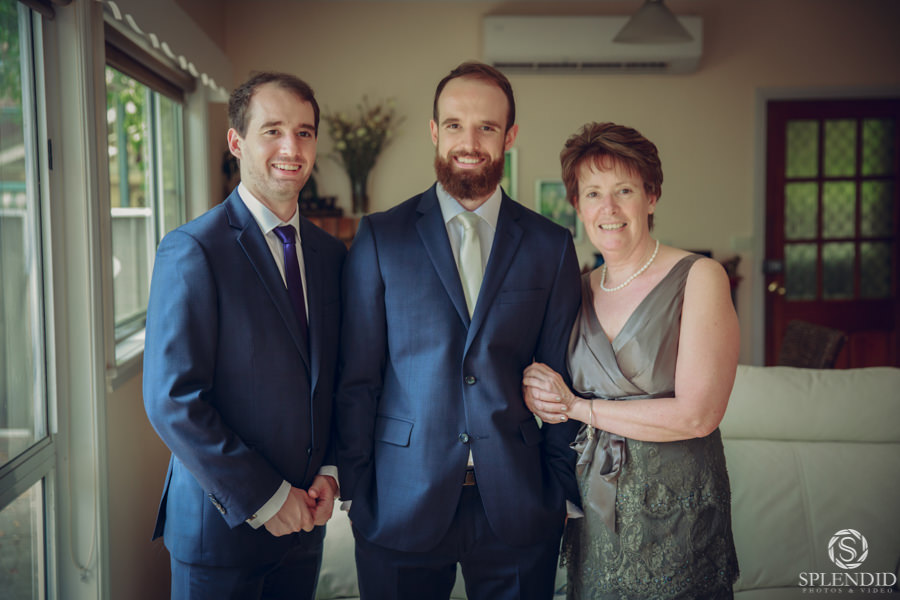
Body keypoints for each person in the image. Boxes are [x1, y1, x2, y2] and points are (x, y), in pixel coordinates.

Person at [335, 61, 582, 600]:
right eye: (454, 125)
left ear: (509, 136)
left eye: (486, 127)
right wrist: (355, 490)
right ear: (434, 131)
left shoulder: (551, 245)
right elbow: (358, 377)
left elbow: (564, 376)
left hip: (519, 504)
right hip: (400, 500)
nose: (468, 143)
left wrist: (562, 489)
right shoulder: (380, 237)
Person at [143, 71, 347, 600]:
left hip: (305, 526)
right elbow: (172, 400)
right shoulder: (194, 249)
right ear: (236, 142)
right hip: (222, 532)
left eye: (304, 132)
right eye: (272, 130)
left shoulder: (330, 255)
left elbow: (335, 379)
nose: (291, 148)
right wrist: (266, 497)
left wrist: (330, 471)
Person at [522, 121, 741, 599]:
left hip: (678, 511)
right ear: (577, 205)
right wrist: (537, 390)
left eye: (624, 190)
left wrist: (580, 408)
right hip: (595, 509)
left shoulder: (700, 277)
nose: (609, 208)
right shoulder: (573, 289)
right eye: (593, 193)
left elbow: (699, 414)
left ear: (651, 196)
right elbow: (549, 381)